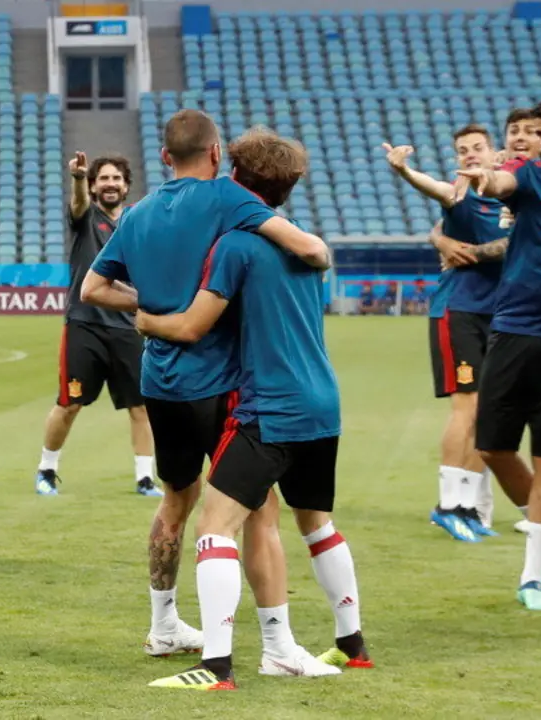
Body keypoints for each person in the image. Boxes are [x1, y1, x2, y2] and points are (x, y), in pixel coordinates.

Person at [81, 111, 333, 671]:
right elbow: (308, 249)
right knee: (259, 508)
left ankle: (163, 625)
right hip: (221, 385)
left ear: (165, 156)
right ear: (217, 153)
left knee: (175, 501)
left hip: (161, 382)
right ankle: (277, 644)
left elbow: (92, 287)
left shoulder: (139, 213)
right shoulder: (228, 198)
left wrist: (145, 306)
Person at [136, 128, 369, 691]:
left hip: (269, 408)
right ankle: (352, 644)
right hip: (323, 403)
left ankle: (218, 668)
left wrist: (146, 321)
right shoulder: (307, 247)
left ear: (235, 176)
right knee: (316, 524)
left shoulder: (236, 246)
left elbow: (194, 325)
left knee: (215, 527)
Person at [456, 92, 541, 610]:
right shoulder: (528, 176)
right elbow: (501, 183)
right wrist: (484, 180)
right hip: (513, 328)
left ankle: (533, 576)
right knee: (491, 445)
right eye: (539, 133)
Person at [381, 124, 506, 542]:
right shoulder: (459, 197)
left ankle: (467, 507)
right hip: (461, 313)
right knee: (466, 410)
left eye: (477, 148)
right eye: (463, 150)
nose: (470, 155)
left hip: (502, 317)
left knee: (488, 416)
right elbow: (433, 187)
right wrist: (403, 171)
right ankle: (448, 504)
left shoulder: (510, 203)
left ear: (494, 155)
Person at [31, 152, 159, 497]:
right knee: (69, 403)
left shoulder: (136, 225)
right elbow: (77, 204)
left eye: (116, 178)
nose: (111, 183)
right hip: (83, 324)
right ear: (93, 185)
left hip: (128, 327)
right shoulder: (86, 216)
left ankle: (145, 478)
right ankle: (46, 469)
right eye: (103, 178)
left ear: (127, 185)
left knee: (141, 405)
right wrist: (77, 179)